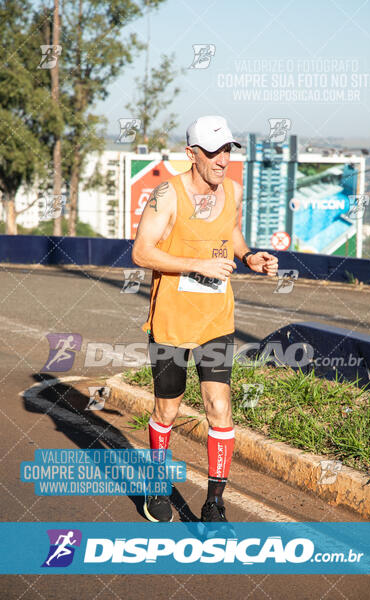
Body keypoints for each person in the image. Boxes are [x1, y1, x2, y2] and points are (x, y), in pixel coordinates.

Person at [132, 115, 279, 523]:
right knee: (168, 411)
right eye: (213, 151)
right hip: (172, 322)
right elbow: (142, 253)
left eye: (227, 149)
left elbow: (230, 235)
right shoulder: (167, 195)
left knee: (219, 407)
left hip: (216, 320)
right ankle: (157, 486)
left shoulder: (232, 190)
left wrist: (248, 256)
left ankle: (214, 504)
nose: (222, 159)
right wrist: (197, 264)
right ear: (191, 154)